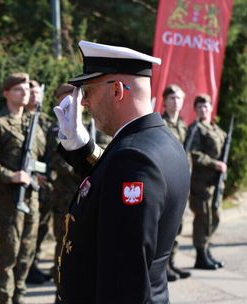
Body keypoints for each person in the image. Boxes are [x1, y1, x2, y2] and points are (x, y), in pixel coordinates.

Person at [53, 40, 190, 303]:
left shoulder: (132, 158)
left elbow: (124, 277)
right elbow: (109, 185)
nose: (84, 104)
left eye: (89, 91)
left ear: (117, 90)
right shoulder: (159, 141)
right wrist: (82, 149)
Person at [0, 72, 46, 304]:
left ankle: (20, 296)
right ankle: (5, 299)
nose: (25, 92)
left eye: (26, 88)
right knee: (7, 257)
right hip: (8, 201)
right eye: (19, 89)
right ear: (6, 93)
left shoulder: (33, 123)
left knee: (26, 255)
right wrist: (11, 175)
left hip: (31, 199)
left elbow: (42, 156)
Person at [46, 83, 81, 298]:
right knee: (63, 248)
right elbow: (60, 162)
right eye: (64, 97)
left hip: (86, 197)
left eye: (73, 97)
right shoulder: (55, 130)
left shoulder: (90, 126)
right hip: (64, 200)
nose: (69, 101)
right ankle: (60, 294)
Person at [187, 94, 227, 270]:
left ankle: (207, 250)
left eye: (206, 106)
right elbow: (194, 153)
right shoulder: (196, 129)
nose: (203, 109)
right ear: (195, 110)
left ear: (211, 108)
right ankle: (200, 255)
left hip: (215, 181)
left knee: (215, 215)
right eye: (200, 107)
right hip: (200, 181)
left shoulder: (217, 130)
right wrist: (215, 163)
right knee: (203, 217)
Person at [161, 84, 191, 280]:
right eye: (172, 98)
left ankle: (172, 263)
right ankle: (162, 268)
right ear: (164, 101)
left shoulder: (183, 125)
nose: (176, 101)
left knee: (177, 225)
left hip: (181, 182)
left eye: (179, 98)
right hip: (166, 181)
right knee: (165, 226)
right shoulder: (161, 124)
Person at [26, 79, 53, 284]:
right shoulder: (22, 119)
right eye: (32, 92)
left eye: (38, 93)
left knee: (41, 227)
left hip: (45, 182)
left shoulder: (45, 121)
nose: (35, 96)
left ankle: (32, 263)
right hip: (27, 181)